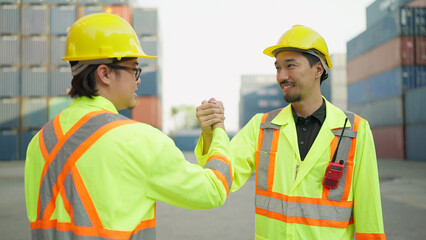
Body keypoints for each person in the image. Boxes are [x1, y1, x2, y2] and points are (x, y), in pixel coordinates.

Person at [25, 13, 232, 240]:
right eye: (134, 69)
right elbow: (213, 190)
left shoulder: (40, 142)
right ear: (104, 73)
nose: (138, 79)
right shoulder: (139, 139)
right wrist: (218, 131)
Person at [196, 25, 386, 239]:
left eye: (291, 66)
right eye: (278, 68)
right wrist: (211, 132)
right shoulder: (261, 126)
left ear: (318, 70)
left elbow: (370, 214)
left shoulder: (355, 130)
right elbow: (218, 179)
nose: (281, 76)